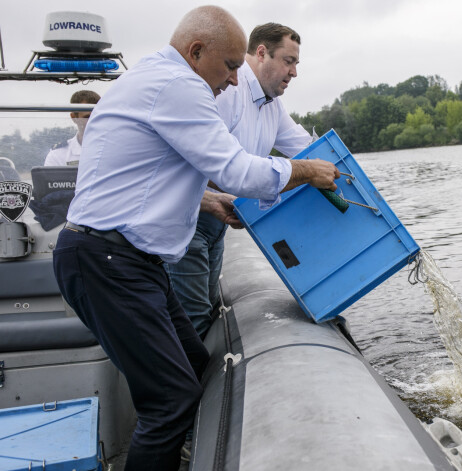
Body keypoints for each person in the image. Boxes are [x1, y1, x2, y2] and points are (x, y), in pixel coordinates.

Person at [52, 6, 339, 471]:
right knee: (169, 400)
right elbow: (238, 170)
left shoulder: (154, 76)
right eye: (229, 66)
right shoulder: (180, 86)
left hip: (127, 257)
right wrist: (306, 172)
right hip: (108, 260)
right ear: (196, 50)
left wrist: (208, 202)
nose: (232, 81)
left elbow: (153, 172)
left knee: (193, 357)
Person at [167, 22, 311, 339]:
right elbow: (214, 165)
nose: (294, 72)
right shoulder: (226, 92)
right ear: (261, 53)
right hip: (188, 219)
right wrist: (302, 173)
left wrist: (342, 171)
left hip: (219, 220)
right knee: (194, 320)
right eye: (289, 61)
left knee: (207, 307)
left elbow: (307, 150)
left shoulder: (274, 105)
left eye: (296, 64)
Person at [44, 90, 100, 166]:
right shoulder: (58, 155)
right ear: (74, 118)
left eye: (97, 117)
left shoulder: (113, 150)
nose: (93, 121)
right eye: (87, 117)